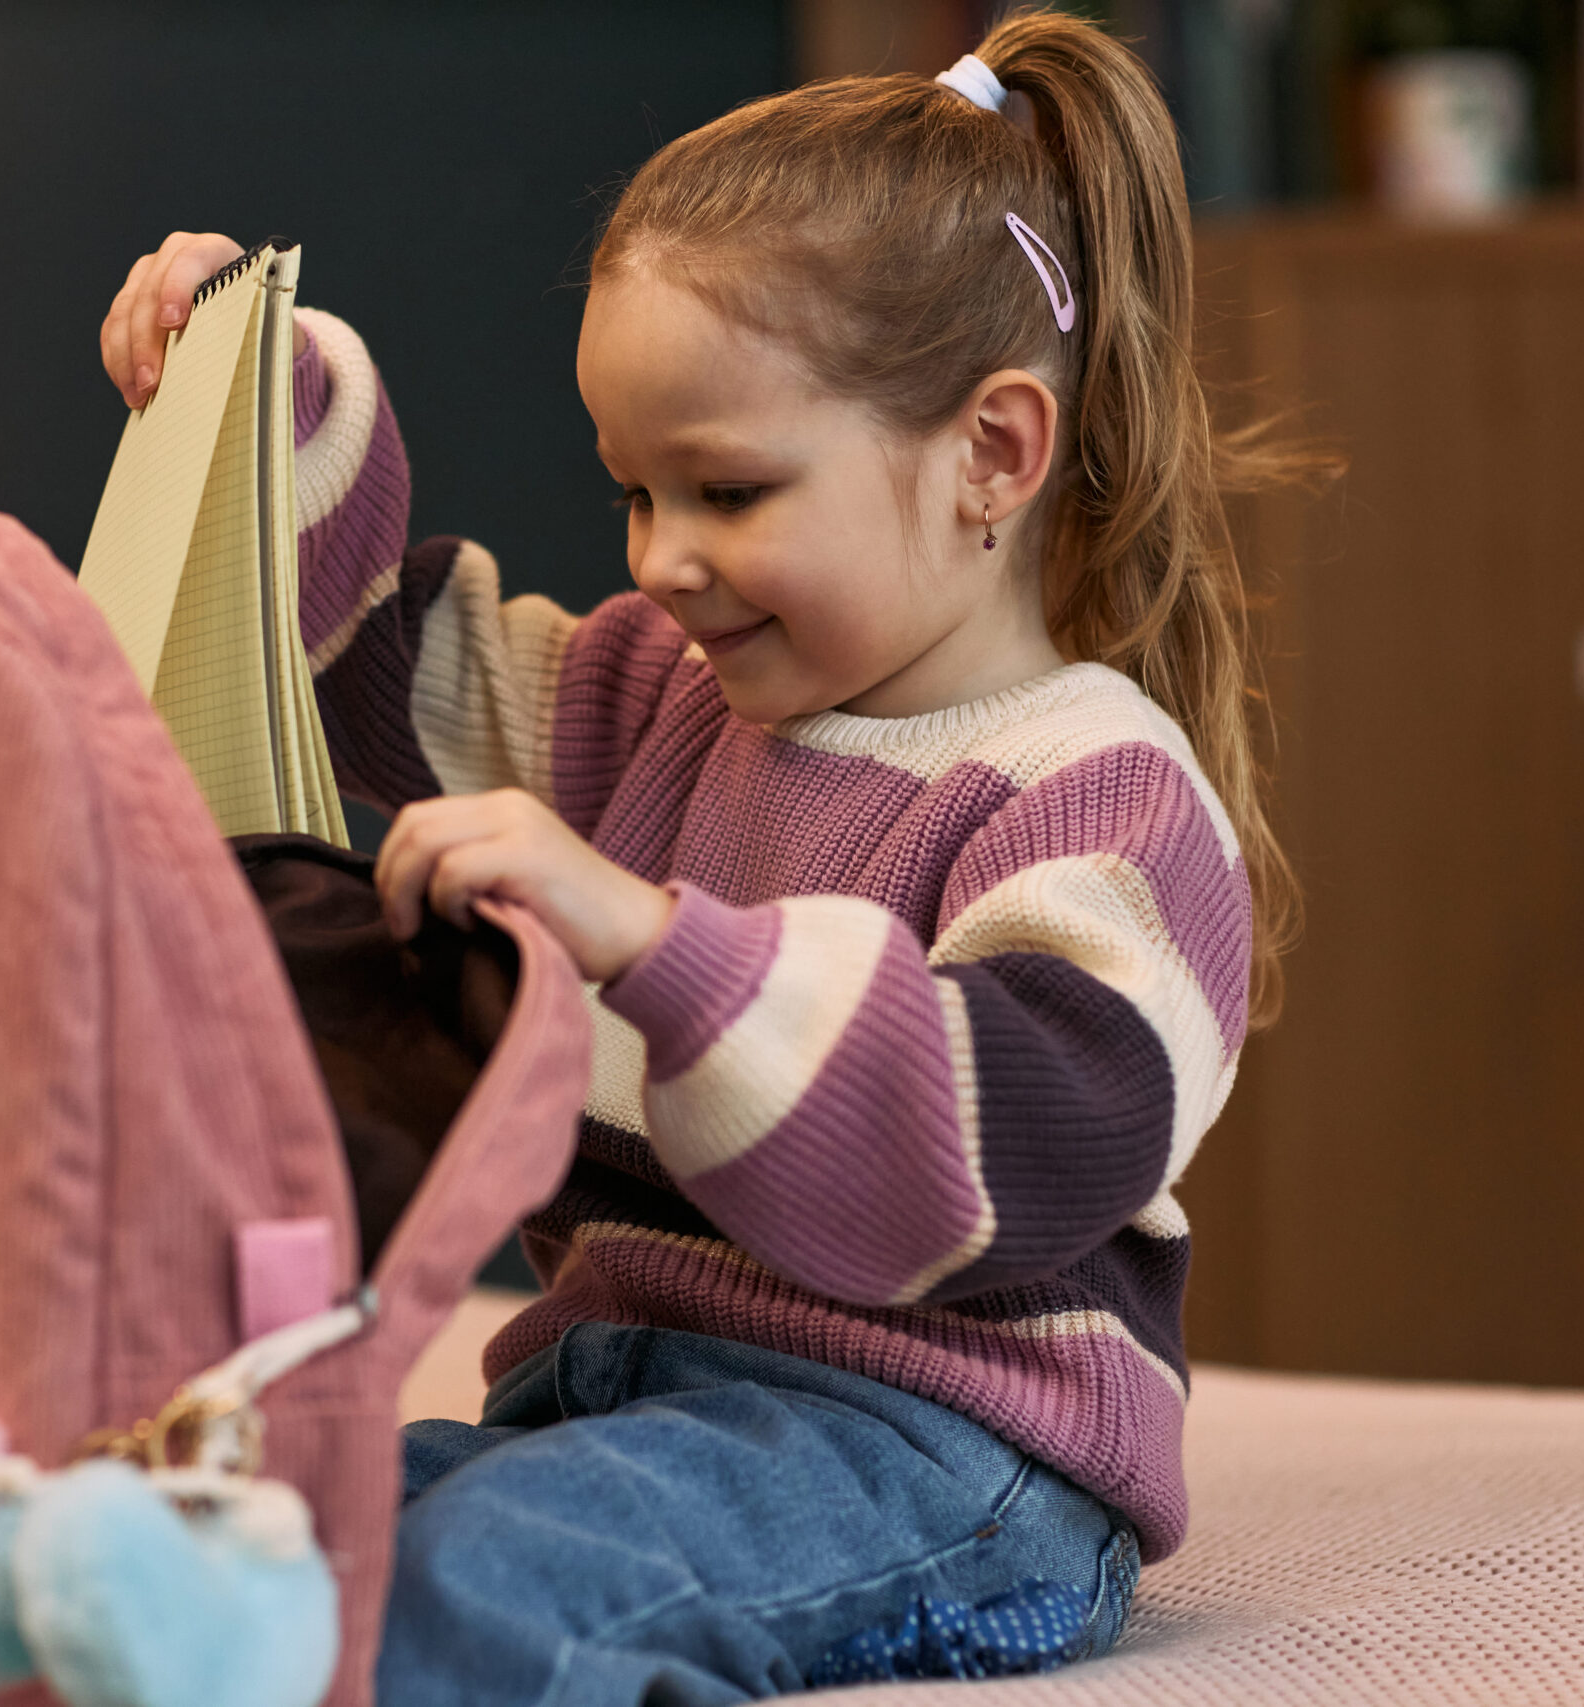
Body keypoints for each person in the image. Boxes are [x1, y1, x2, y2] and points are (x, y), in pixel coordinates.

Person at [99, 12, 1304, 1702]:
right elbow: (370, 651)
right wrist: (248, 378)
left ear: (994, 455)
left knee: (466, 1596)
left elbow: (1000, 1148)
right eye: (630, 494)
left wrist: (650, 941)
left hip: (942, 1442)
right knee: (225, 1531)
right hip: (615, 1387)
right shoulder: (660, 700)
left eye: (728, 492)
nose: (663, 561)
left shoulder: (1099, 793)